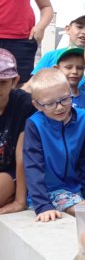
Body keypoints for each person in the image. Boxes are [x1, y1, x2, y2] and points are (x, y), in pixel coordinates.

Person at [23, 68, 85, 230]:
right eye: (50, 103)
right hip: (49, 191)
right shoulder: (35, 124)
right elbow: (33, 167)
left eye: (65, 99)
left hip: (76, 188)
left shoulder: (83, 118)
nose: (59, 107)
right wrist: (43, 205)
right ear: (37, 105)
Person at [0, 49, 35, 214]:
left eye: (2, 82)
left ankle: (11, 195)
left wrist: (20, 201)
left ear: (14, 81)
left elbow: (23, 154)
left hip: (11, 172)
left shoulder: (24, 104)